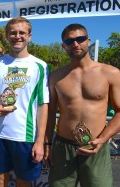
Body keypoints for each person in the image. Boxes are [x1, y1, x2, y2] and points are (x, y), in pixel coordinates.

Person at [44, 23, 120, 187]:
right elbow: (50, 113)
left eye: (80, 39)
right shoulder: (56, 76)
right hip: (63, 147)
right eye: (70, 41)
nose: (76, 44)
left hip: (95, 147)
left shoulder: (110, 73)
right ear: (64, 46)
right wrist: (47, 144)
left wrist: (102, 140)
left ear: (88, 40)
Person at [0, 16, 49, 187]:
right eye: (13, 33)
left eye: (22, 33)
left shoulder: (40, 66)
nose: (17, 36)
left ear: (29, 36)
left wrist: (40, 141)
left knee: (24, 182)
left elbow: (43, 104)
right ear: (7, 36)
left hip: (26, 137)